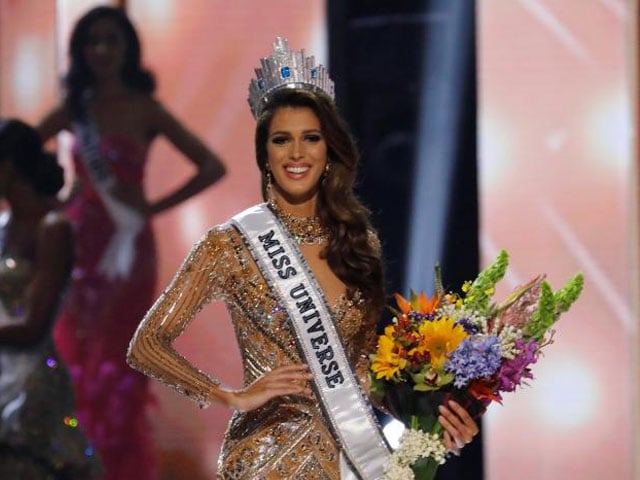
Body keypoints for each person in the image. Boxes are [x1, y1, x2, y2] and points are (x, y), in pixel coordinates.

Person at [127, 37, 478, 479]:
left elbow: (366, 374)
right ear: (265, 155)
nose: (297, 153)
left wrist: (432, 420)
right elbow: (147, 344)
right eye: (281, 140)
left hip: (350, 461)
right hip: (264, 459)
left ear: (329, 150)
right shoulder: (230, 244)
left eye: (311, 138)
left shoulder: (357, 241)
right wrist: (228, 395)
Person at [36, 6, 226, 480]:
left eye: (111, 40)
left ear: (128, 48)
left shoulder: (146, 109)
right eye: (92, 42)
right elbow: (17, 156)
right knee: (75, 351)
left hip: (128, 247)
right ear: (81, 51)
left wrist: (153, 208)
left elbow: (211, 166)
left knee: (122, 354)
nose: (102, 50)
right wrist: (57, 199)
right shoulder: (73, 109)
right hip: (79, 246)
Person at [0, 119, 103, 479]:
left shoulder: (52, 228)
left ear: (9, 166)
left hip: (27, 383)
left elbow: (32, 326)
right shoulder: (2, 226)